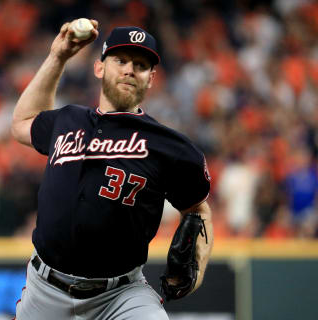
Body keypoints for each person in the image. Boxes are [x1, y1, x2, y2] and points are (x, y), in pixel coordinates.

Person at [11, 19, 213, 320]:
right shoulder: (67, 120)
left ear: (151, 78)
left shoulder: (170, 146)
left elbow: (198, 209)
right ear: (99, 68)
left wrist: (196, 272)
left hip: (120, 296)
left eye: (141, 65)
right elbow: (21, 124)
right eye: (120, 60)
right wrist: (58, 57)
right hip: (45, 291)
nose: (130, 69)